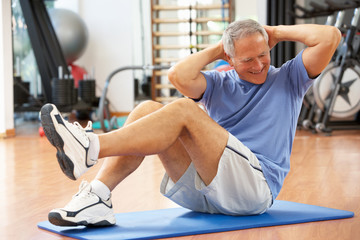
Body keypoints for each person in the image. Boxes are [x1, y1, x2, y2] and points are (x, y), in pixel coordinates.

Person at [40, 19, 341, 227]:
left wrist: (272, 31)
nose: (259, 64)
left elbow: (331, 37)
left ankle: (90, 147)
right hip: (206, 192)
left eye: (263, 55)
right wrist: (219, 48)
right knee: (147, 108)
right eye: (247, 59)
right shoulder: (219, 83)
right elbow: (177, 76)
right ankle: (98, 197)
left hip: (253, 190)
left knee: (184, 110)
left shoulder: (289, 78)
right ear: (230, 58)